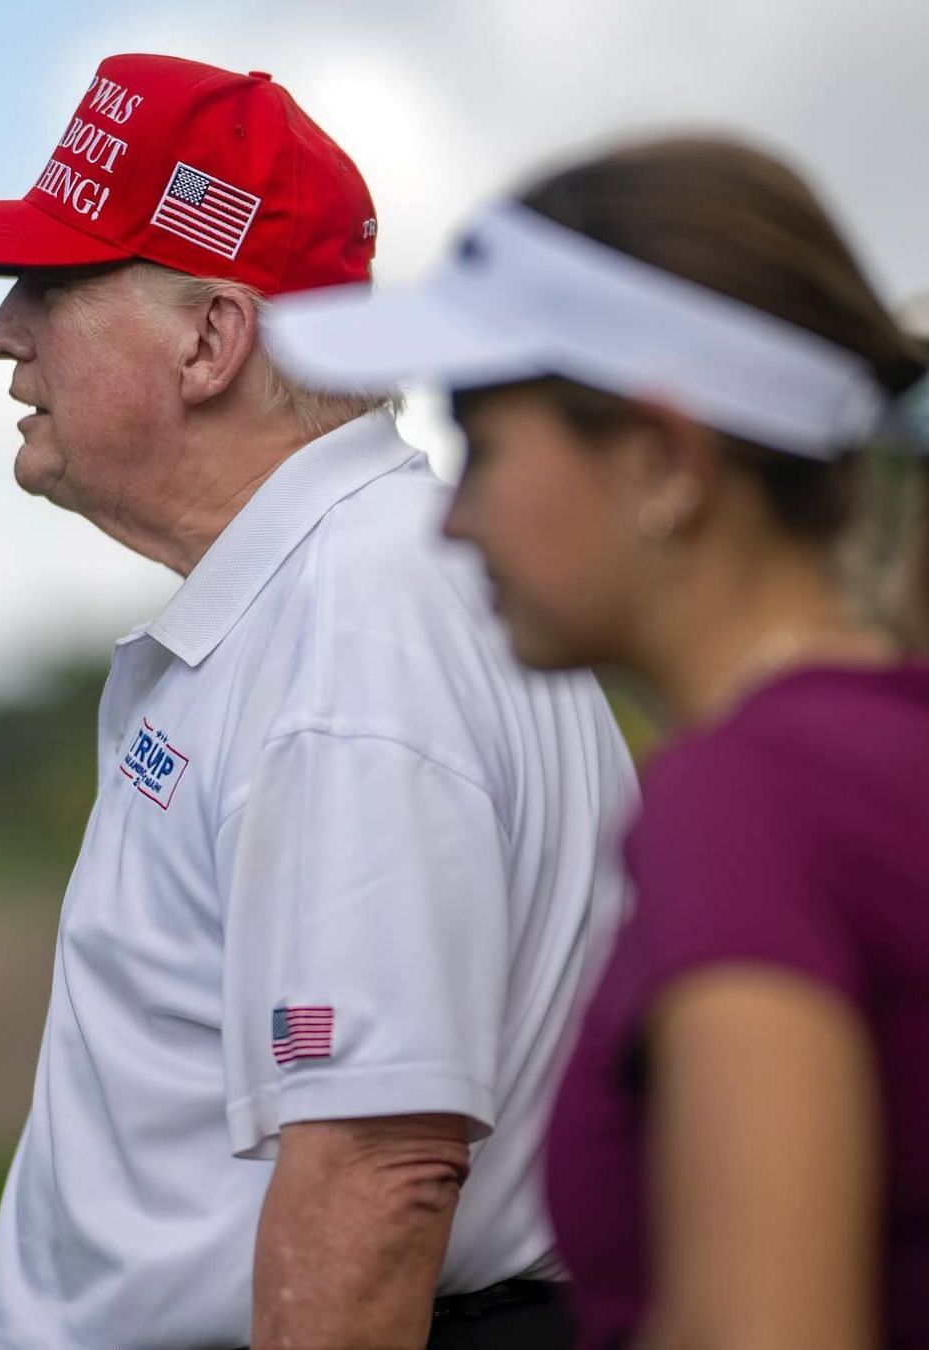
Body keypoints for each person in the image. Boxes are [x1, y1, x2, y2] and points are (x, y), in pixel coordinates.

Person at [0, 54, 637, 1350]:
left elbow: (378, 1171)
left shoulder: (356, 618)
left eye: (51, 285)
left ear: (209, 339)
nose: (1, 331)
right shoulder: (346, 588)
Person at [264, 136, 929, 1347]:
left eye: (486, 441)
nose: (453, 518)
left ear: (666, 461)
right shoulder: (880, 746)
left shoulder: (747, 802)